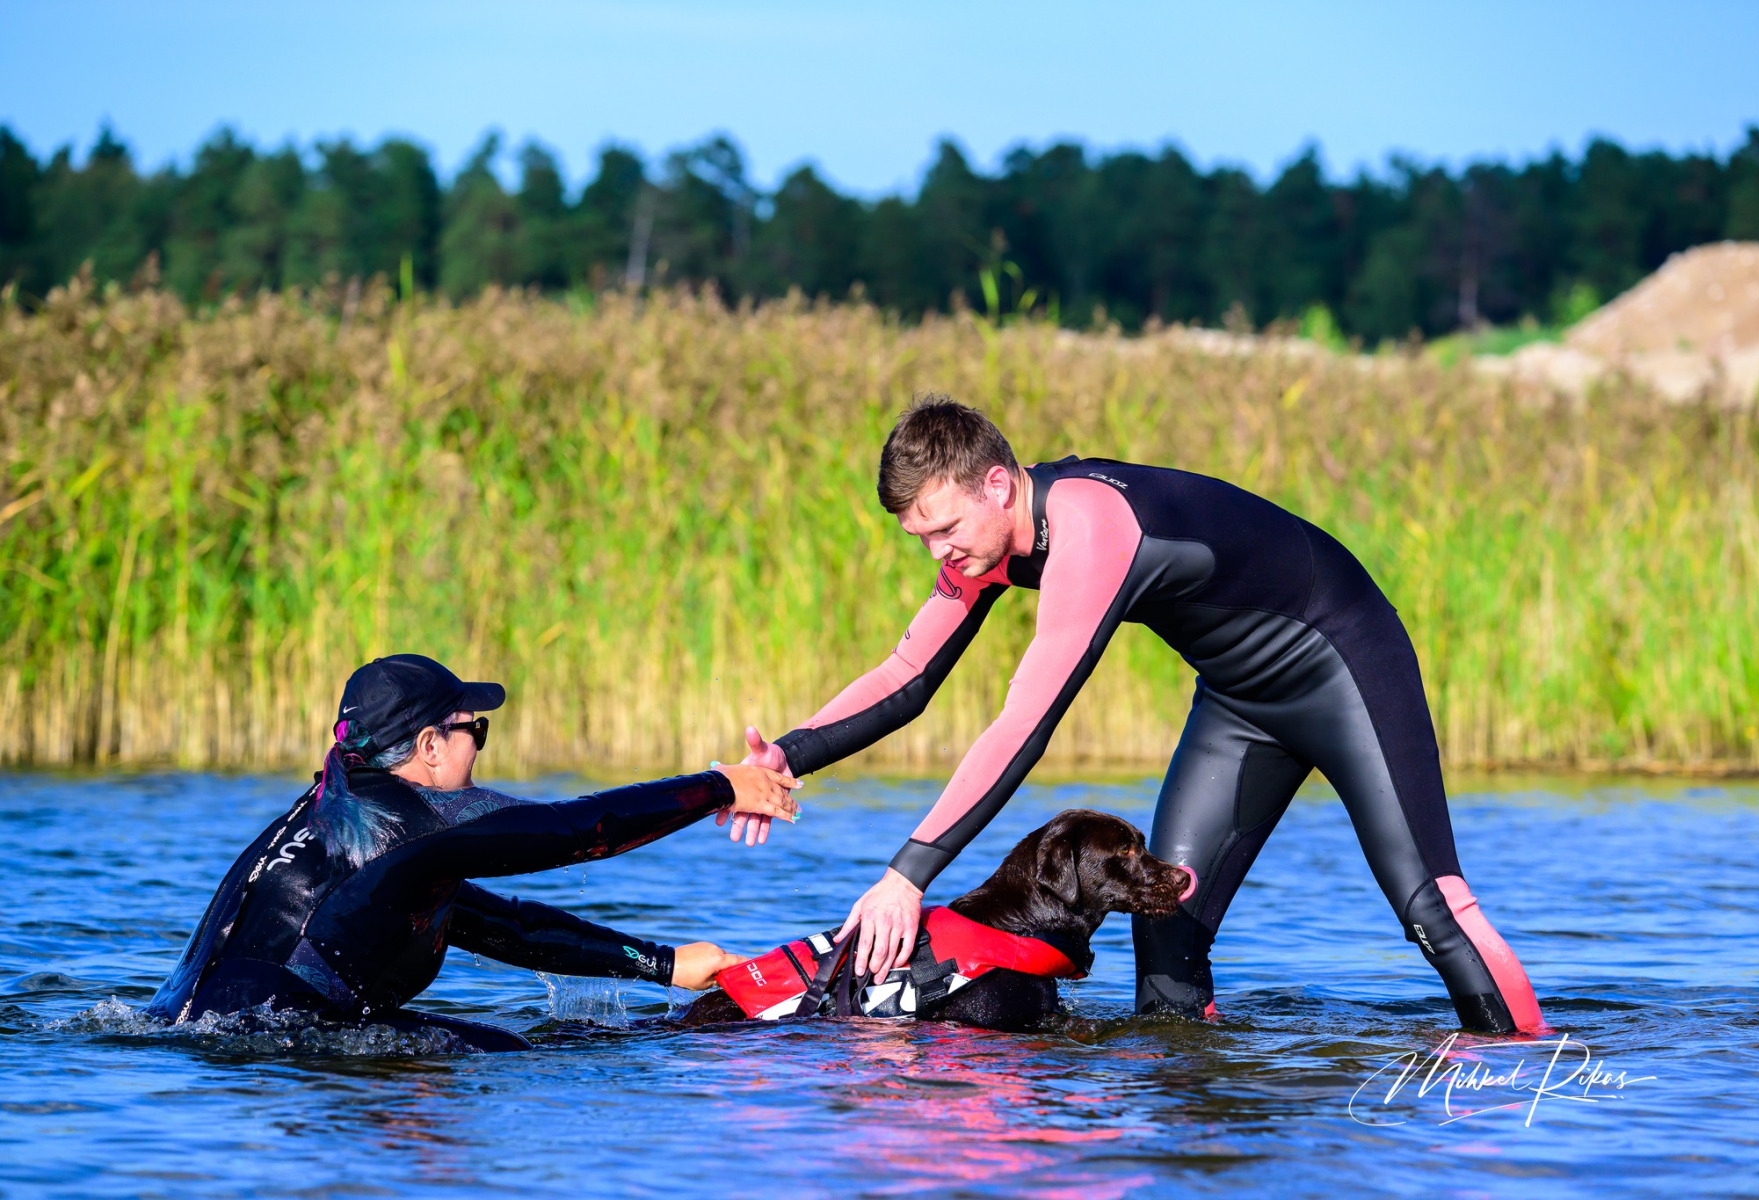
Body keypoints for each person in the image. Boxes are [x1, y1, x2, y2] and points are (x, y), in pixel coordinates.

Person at [732, 396, 1542, 1034]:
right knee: (1165, 921)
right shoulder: (986, 543)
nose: (938, 553)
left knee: (1429, 906)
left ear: (998, 485)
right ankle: (1192, 1118)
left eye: (944, 529)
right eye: (921, 538)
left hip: (1343, 663)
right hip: (1238, 702)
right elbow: (908, 674)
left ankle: (1521, 1082)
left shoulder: (1091, 526)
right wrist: (788, 757)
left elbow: (1024, 724)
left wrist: (907, 876)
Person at [148, 653, 798, 1051]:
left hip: (184, 1032)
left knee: (515, 1047)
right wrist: (720, 787)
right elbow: (582, 829)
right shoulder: (416, 822)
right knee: (514, 1053)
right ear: (429, 746)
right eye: (474, 730)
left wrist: (665, 964)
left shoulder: (334, 814)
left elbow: (502, 925)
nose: (480, 747)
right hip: (270, 1042)